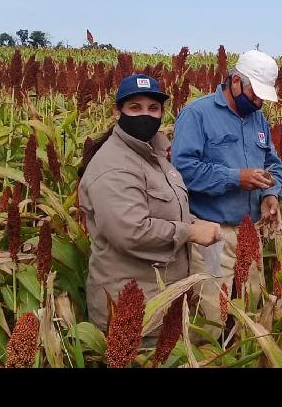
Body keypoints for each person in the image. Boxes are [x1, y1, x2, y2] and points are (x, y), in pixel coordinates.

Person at [78, 74, 223, 334]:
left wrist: (192, 221)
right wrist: (189, 232)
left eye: (152, 108)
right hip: (132, 312)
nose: (145, 114)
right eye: (135, 107)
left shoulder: (155, 155)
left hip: (160, 303)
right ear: (117, 112)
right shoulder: (114, 166)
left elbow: (161, 211)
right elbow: (131, 231)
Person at [171, 50, 282, 330]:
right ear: (235, 81)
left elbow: (274, 164)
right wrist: (235, 178)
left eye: (262, 97)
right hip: (212, 234)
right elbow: (182, 170)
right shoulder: (197, 114)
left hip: (251, 230)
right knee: (210, 316)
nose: (258, 102)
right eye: (254, 94)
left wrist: (271, 193)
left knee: (252, 310)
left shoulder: (258, 120)